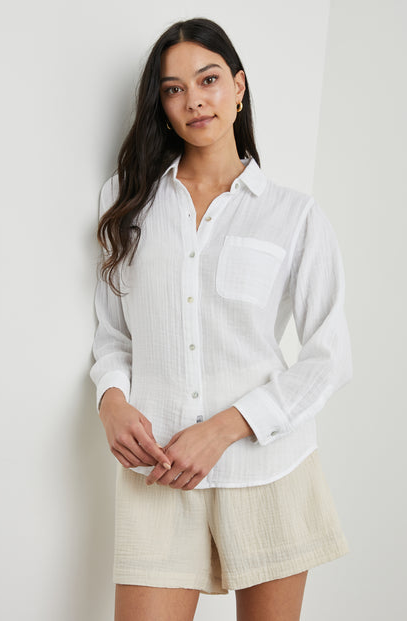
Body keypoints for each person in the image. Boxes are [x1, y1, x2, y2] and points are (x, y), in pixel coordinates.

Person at [89, 17, 353, 621]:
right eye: (174, 89)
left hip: (269, 470)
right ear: (161, 105)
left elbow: (329, 356)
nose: (194, 100)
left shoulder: (293, 215)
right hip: (158, 474)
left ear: (238, 86)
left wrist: (227, 427)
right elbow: (113, 332)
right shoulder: (126, 202)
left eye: (208, 80)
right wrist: (111, 400)